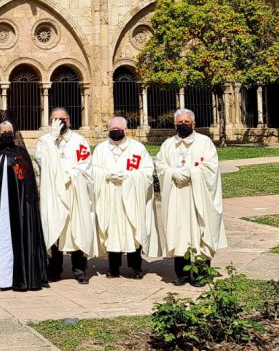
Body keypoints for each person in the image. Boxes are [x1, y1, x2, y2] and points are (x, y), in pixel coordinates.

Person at [154, 109, 227, 286]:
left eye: (186, 122)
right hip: (177, 197)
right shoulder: (168, 144)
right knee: (179, 233)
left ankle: (202, 274)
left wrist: (189, 173)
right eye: (180, 122)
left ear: (193, 124)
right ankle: (182, 274)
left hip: (198, 197)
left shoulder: (205, 143)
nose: (183, 125)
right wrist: (173, 173)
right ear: (174, 124)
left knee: (200, 231)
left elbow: (211, 167)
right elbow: (160, 164)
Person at [0, 120, 48, 291]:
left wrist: (28, 203)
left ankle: (18, 276)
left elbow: (28, 182)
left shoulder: (21, 153)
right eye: (3, 130)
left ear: (15, 132)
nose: (6, 133)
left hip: (17, 207)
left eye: (9, 130)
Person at [35, 107, 97, 284]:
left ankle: (79, 269)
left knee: (76, 228)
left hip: (74, 191)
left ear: (69, 120)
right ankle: (55, 268)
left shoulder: (79, 141)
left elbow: (85, 164)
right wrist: (52, 139)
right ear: (49, 121)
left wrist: (71, 175)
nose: (59, 123)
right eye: (55, 119)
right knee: (55, 228)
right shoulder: (44, 141)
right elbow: (41, 160)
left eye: (62, 119)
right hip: (54, 194)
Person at [92, 116, 159, 279]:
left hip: (132, 197)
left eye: (118, 129)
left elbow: (147, 171)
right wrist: (107, 175)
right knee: (112, 231)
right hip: (110, 197)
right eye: (112, 130)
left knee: (132, 229)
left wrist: (129, 177)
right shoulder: (101, 149)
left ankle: (136, 267)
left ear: (126, 130)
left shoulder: (137, 149)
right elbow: (92, 170)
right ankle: (113, 267)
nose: (115, 132)